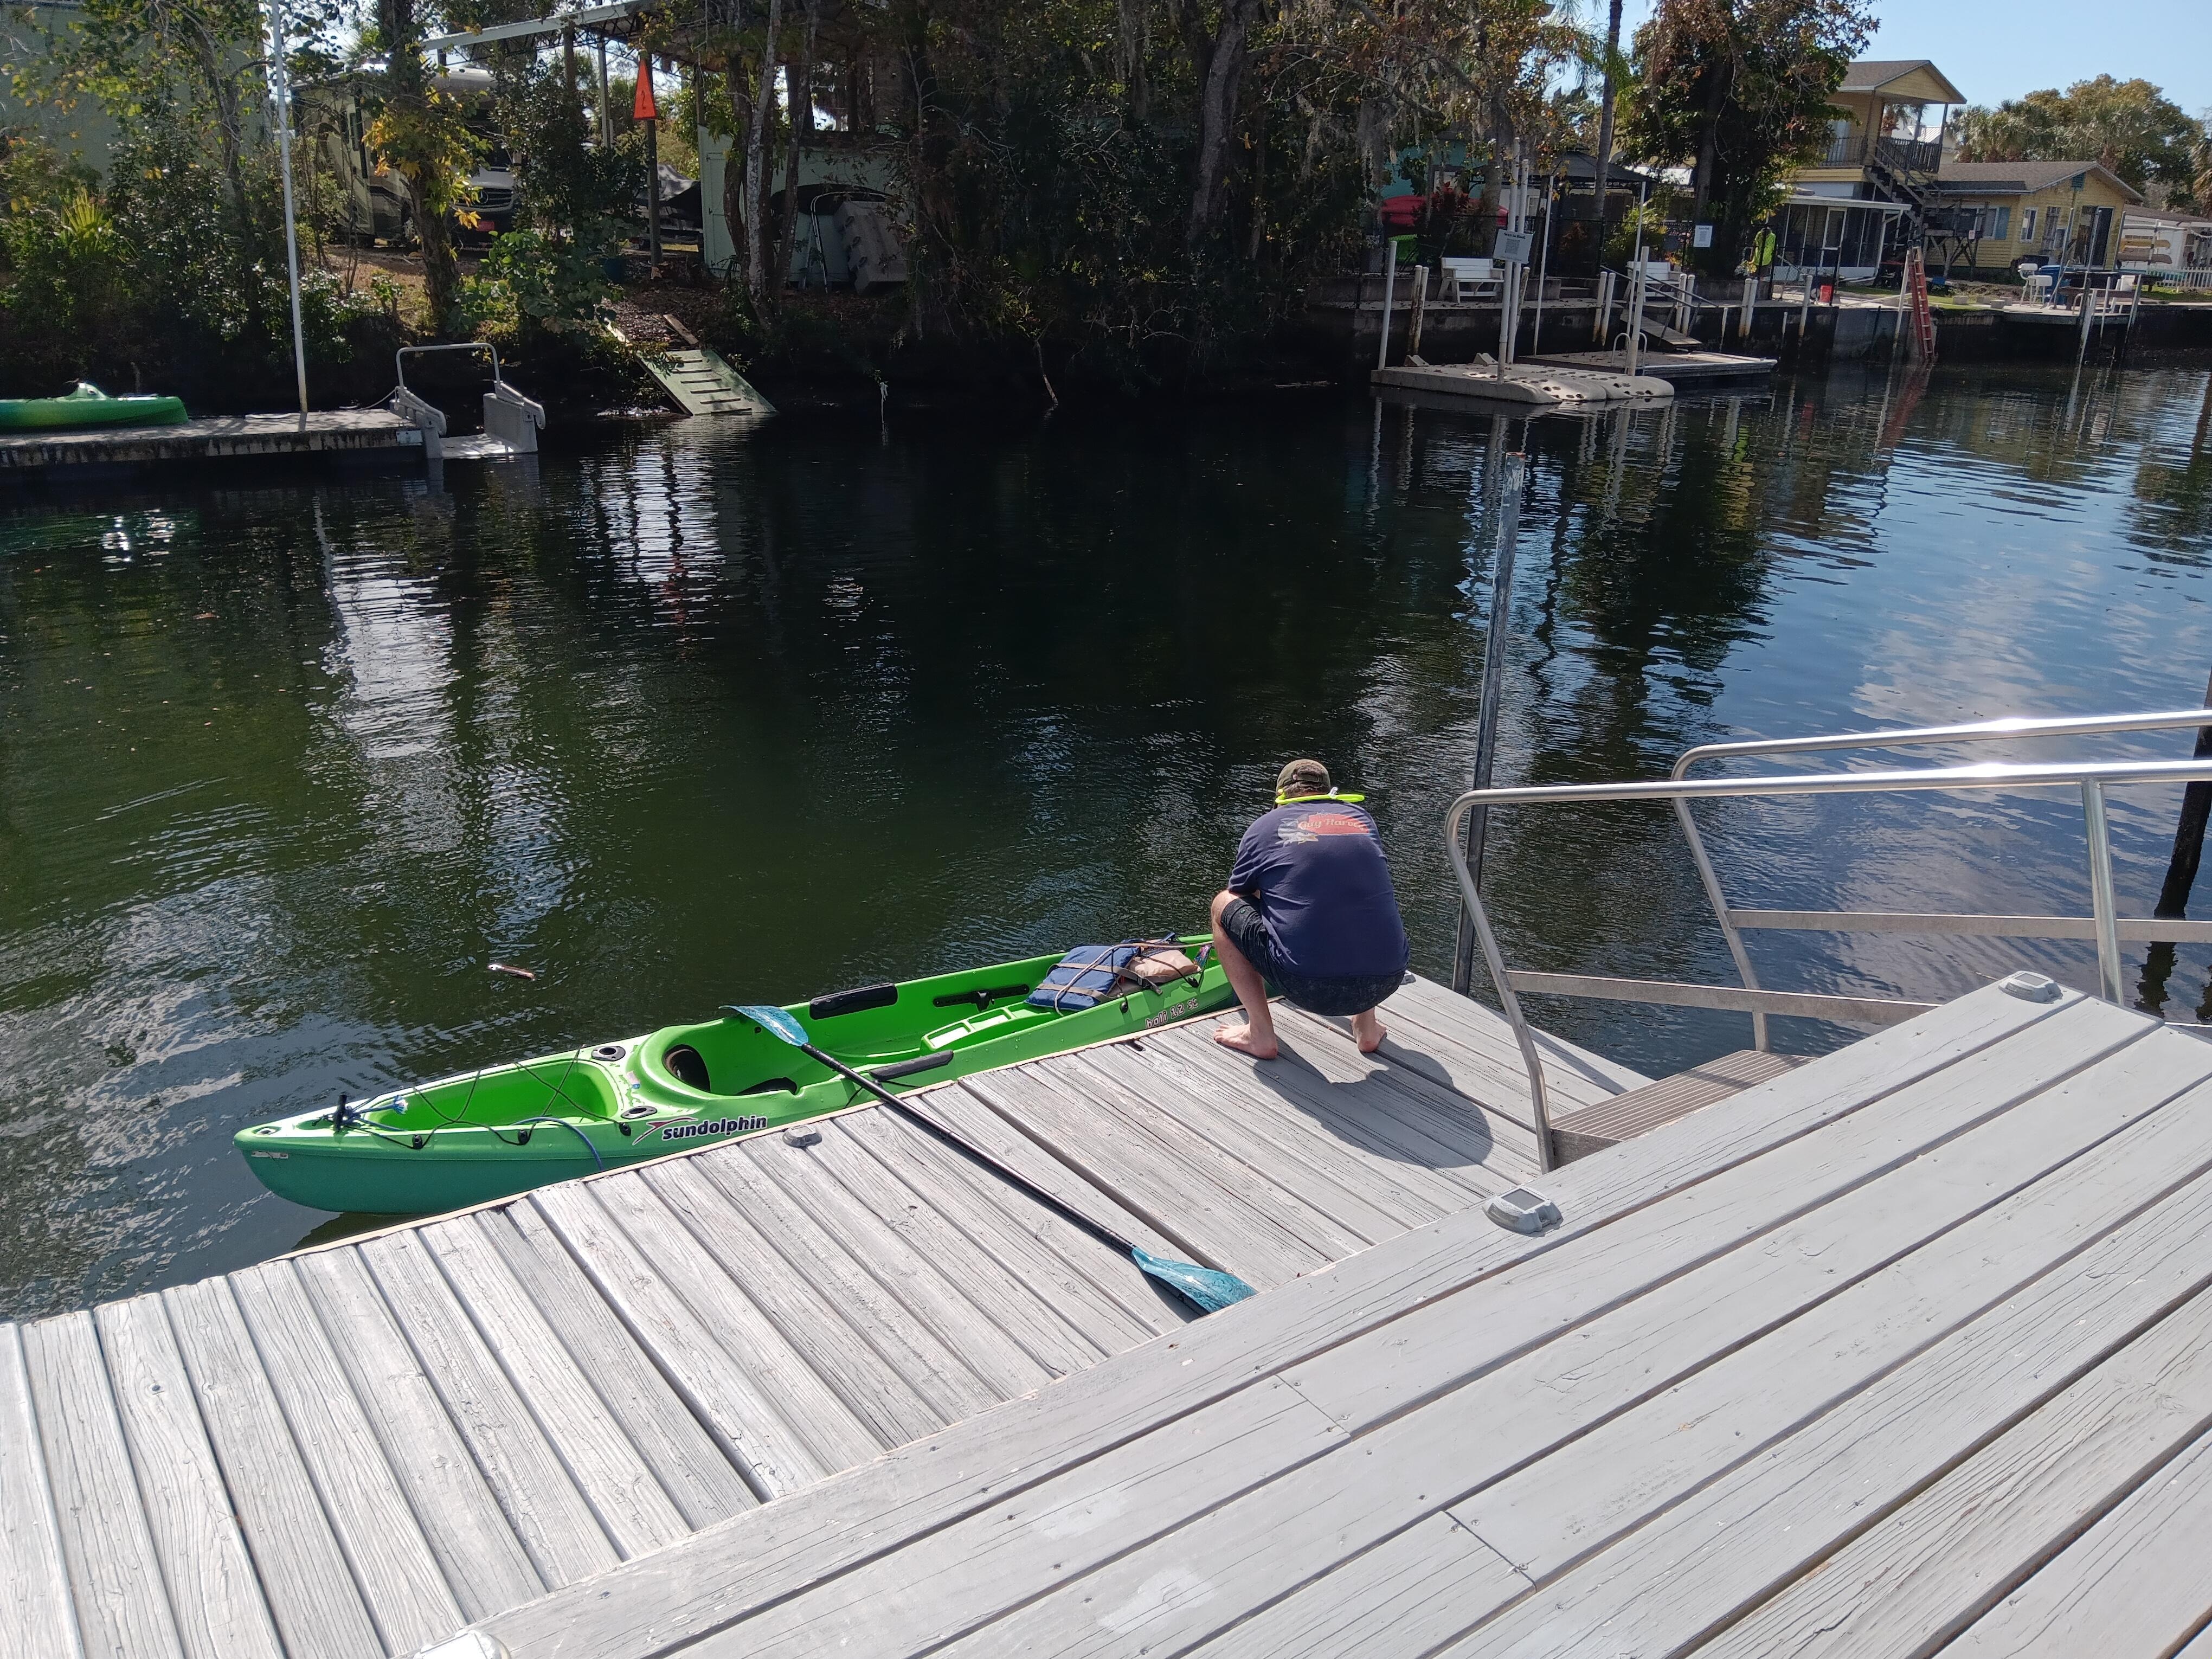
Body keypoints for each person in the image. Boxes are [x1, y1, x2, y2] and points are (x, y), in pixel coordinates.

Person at [1210, 759, 1411, 1059]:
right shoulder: (1362, 819)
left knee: (1222, 903)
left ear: (1280, 798)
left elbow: (1242, 894)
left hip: (1306, 986)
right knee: (1355, 898)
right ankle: (1366, 1028)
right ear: (1328, 793)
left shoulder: (1265, 826)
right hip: (1387, 979)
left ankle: (1260, 1034)